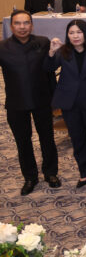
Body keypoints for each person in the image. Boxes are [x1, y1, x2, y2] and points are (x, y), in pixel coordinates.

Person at [0, 11, 60, 195]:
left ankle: (50, 173)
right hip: (16, 101)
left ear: (32, 25)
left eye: (26, 23)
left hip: (42, 99)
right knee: (22, 141)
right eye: (18, 23)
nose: (22, 27)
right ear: (11, 26)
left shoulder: (43, 42)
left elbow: (51, 69)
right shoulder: (2, 47)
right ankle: (30, 177)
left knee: (47, 137)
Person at [45, 20, 86, 187]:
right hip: (70, 102)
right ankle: (84, 172)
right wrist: (51, 52)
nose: (75, 36)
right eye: (71, 33)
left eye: (79, 32)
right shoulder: (62, 51)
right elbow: (48, 68)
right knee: (77, 137)